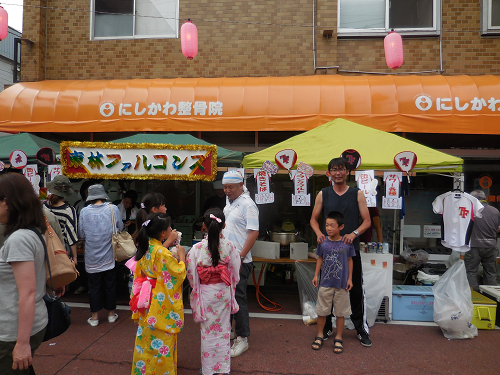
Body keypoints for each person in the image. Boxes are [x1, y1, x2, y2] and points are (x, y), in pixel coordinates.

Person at [0, 173, 60, 374]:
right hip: (21, 325)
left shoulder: (18, 239)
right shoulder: (30, 231)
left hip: (13, 329)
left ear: (6, 203)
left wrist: (22, 343)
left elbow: (27, 293)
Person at [310, 157, 372, 347]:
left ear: (347, 172)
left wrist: (354, 234)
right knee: (326, 290)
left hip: (349, 251)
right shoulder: (323, 194)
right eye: (334, 169)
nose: (338, 172)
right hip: (328, 252)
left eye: (341, 169)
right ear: (329, 173)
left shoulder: (357, 194)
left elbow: (367, 221)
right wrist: (320, 233)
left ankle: (360, 328)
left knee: (353, 290)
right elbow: (313, 219)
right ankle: (327, 327)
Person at [130, 213, 186, 375]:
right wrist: (181, 257)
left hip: (146, 299)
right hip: (159, 303)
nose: (170, 230)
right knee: (163, 341)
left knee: (146, 339)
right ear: (163, 233)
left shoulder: (146, 247)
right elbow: (177, 274)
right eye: (169, 228)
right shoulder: (161, 252)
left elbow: (138, 274)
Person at [186, 208, 241, 375]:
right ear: (223, 225)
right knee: (224, 331)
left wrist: (197, 287)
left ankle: (209, 369)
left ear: (203, 226)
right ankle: (223, 369)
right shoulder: (230, 247)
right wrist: (229, 282)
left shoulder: (196, 249)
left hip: (206, 292)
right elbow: (235, 273)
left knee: (207, 332)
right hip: (223, 291)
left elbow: (191, 274)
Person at [221, 170, 259, 358]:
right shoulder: (230, 202)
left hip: (240, 261)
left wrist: (241, 256)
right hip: (226, 259)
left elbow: (253, 232)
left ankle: (242, 338)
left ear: (241, 184)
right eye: (225, 187)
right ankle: (229, 331)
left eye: (230, 187)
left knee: (238, 299)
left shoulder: (247, 204)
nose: (227, 190)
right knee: (227, 297)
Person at [78, 184, 122, 326]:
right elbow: (120, 227)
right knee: (110, 284)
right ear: (103, 195)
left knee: (94, 286)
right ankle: (111, 314)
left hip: (92, 256)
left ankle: (95, 317)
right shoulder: (113, 208)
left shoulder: (84, 212)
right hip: (109, 254)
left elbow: (81, 234)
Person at [311, 211, 355, 354]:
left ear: (341, 226)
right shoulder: (323, 243)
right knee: (322, 311)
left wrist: (350, 279)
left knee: (340, 313)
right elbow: (320, 259)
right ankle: (319, 335)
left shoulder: (347, 243)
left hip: (342, 284)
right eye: (326, 225)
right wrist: (316, 275)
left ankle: (339, 337)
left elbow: (350, 260)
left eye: (332, 225)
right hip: (325, 283)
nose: (328, 228)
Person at [465, 189, 500, 290]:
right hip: (491, 247)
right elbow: (498, 228)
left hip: (474, 246)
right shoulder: (495, 211)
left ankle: (473, 297)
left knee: (471, 271)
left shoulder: (470, 211)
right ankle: (492, 297)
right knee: (490, 272)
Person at [44, 175, 78, 265]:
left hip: (45, 247)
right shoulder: (68, 210)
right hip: (61, 249)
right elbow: (71, 234)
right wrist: (74, 257)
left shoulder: (44, 206)